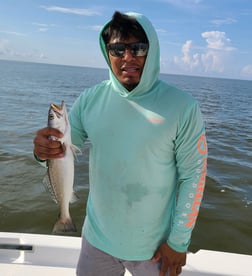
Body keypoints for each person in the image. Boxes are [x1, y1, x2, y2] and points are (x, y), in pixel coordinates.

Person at [33, 11, 208, 276]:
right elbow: (62, 151)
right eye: (117, 49)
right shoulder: (91, 99)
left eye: (138, 47)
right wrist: (41, 151)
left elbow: (193, 176)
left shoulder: (183, 107)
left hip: (155, 249)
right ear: (107, 53)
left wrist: (178, 242)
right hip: (96, 241)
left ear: (153, 50)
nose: (128, 57)